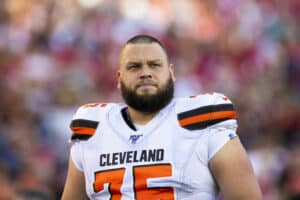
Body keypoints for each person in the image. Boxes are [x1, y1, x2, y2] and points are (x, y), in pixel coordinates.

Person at [61, 34, 262, 200]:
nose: (145, 73)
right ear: (119, 78)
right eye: (134, 67)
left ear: (171, 73)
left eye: (155, 65)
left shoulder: (204, 119)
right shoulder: (93, 128)